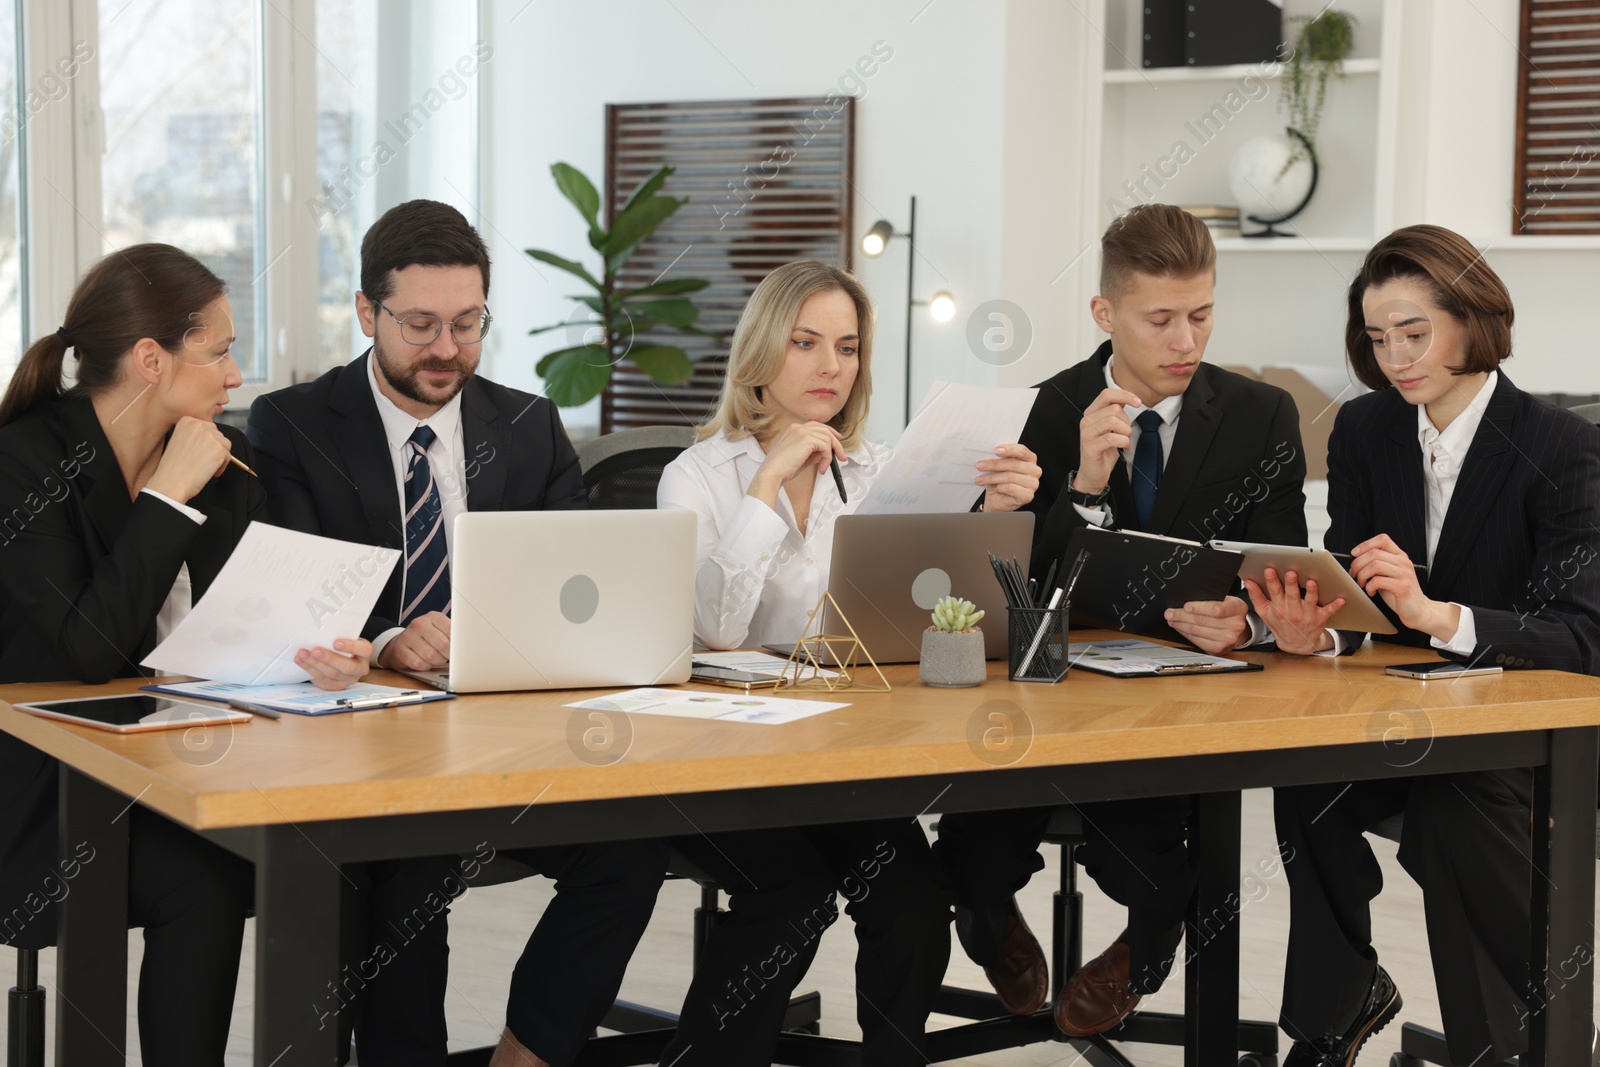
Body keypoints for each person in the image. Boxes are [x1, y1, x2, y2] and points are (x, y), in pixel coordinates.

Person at [246, 200, 667, 1067]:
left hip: (506, 744)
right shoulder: (291, 424)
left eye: (468, 323)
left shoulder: (525, 424)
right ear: (368, 314)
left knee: (631, 847)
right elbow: (294, 591)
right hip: (368, 753)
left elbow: (576, 586)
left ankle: (530, 1050)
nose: (447, 349)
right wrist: (394, 635)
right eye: (421, 324)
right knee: (400, 881)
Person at [934, 203, 1309, 1036]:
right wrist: (1086, 491)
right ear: (1106, 314)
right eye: (1162, 319)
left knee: (1164, 864)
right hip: (1043, 691)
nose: (1187, 340)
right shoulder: (1040, 410)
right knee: (975, 842)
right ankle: (987, 921)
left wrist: (1245, 620)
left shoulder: (1261, 417)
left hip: (1175, 698)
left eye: (1202, 315)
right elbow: (1005, 587)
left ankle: (1143, 953)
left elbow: (1283, 566)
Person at [656, 259, 1041, 1064]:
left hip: (842, 754)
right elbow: (714, 630)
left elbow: (937, 613)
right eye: (805, 343)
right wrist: (767, 484)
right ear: (762, 352)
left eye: (848, 346)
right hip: (724, 765)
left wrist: (995, 520)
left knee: (912, 899)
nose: (832, 365)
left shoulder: (878, 472)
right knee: (790, 901)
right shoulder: (697, 476)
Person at [0, 244, 371, 1065]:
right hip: (38, 795)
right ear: (149, 360)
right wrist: (167, 498)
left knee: (323, 853)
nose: (236, 376)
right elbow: (88, 650)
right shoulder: (24, 463)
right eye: (220, 351)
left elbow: (251, 625)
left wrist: (320, 652)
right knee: (207, 882)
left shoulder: (225, 467)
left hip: (184, 765)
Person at [1251, 224, 1600, 1067]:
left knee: (1453, 806)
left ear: (1473, 319)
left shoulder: (1565, 446)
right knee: (1308, 774)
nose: (1397, 357)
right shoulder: (1368, 431)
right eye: (1378, 339)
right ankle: (1340, 1007)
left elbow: (1582, 637)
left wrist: (1441, 615)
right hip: (1409, 710)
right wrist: (1317, 628)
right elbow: (1357, 595)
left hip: (1529, 730)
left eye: (1415, 333)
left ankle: (1525, 1045)